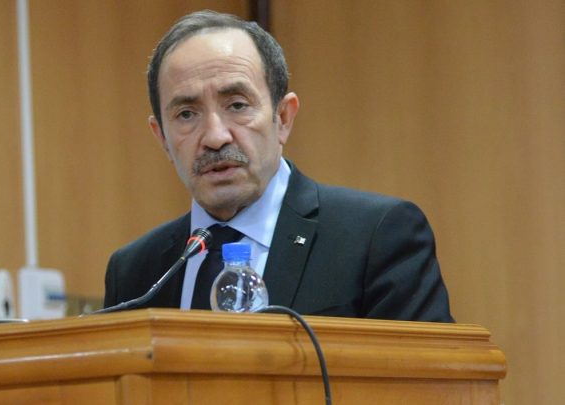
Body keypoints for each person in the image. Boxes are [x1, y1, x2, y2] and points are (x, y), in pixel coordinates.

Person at [103, 10, 454, 322]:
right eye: (186, 114)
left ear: (283, 118)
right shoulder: (134, 271)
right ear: (162, 138)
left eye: (237, 105)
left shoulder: (376, 238)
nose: (215, 137)